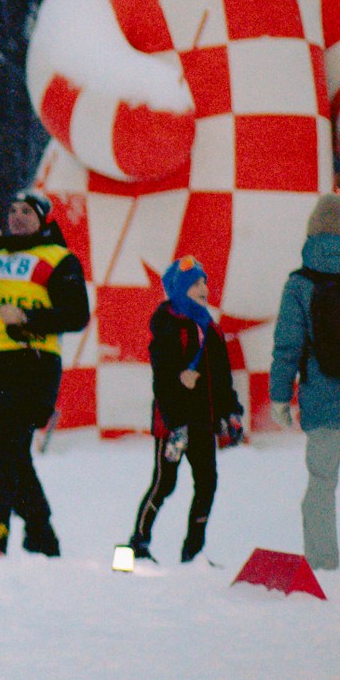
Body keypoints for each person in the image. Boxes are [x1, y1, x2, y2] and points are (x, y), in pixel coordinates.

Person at [0, 187, 87, 556]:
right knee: (12, 454)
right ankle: (41, 534)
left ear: (42, 219)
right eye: (12, 210)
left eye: (27, 211)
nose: (17, 217)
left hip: (34, 364)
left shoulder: (58, 258)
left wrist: (28, 318)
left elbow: (77, 315)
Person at [127, 257, 243, 563]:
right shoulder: (168, 326)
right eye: (195, 284)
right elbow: (162, 380)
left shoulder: (211, 328)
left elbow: (222, 380)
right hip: (173, 424)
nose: (204, 288)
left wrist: (231, 412)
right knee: (163, 484)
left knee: (207, 484)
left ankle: (193, 553)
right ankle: (134, 548)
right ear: (179, 289)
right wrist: (176, 420)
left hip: (203, 422)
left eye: (204, 282)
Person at [270, 193, 340, 571]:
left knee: (322, 483)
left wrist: (280, 397)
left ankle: (324, 562)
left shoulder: (299, 284)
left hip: (321, 401)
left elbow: (287, 346)